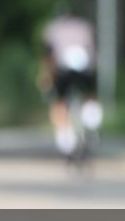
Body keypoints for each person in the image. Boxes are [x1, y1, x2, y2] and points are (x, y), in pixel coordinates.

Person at [38, 10, 101, 156]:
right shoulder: (85, 27)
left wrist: (46, 76)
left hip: (63, 69)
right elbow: (93, 51)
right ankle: (91, 120)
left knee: (59, 101)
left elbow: (48, 55)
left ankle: (64, 137)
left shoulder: (53, 29)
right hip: (86, 68)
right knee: (89, 95)